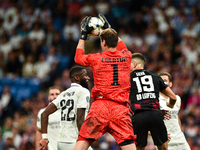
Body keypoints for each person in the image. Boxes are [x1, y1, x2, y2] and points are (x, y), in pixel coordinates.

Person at [73, 14, 136, 150]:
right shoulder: (127, 56)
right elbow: (122, 46)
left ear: (104, 43)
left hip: (99, 108)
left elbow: (78, 58)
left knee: (83, 141)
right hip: (120, 109)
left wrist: (83, 34)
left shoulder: (97, 58)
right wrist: (109, 29)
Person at [129, 53, 177, 150]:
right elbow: (173, 97)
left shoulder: (128, 77)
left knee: (139, 148)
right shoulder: (154, 75)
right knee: (163, 148)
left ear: (134, 64)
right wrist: (170, 105)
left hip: (138, 117)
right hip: (155, 114)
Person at [39, 66, 91, 150]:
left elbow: (44, 114)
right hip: (75, 140)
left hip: (61, 143)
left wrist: (44, 137)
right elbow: (80, 119)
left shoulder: (63, 94)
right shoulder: (83, 92)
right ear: (77, 77)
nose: (88, 77)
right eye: (84, 75)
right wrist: (86, 139)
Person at [158, 72, 191, 150]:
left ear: (170, 84)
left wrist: (180, 133)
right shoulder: (155, 101)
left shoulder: (177, 99)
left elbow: (177, 118)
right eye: (160, 80)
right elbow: (148, 124)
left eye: (165, 80)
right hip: (166, 142)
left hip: (180, 139)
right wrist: (159, 135)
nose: (163, 82)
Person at [35, 86, 61, 150]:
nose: (55, 96)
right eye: (52, 94)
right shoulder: (42, 112)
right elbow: (39, 132)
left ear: (61, 96)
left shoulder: (66, 112)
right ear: (48, 97)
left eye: (57, 94)